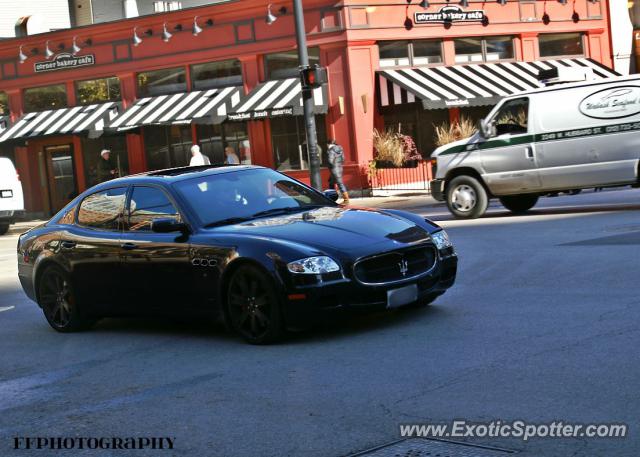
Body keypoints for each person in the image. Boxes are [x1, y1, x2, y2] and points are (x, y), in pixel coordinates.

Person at [327, 139, 349, 204]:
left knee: (340, 184)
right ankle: (332, 198)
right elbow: (343, 159)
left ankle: (346, 199)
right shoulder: (340, 149)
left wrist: (331, 165)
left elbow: (330, 161)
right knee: (331, 182)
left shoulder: (331, 150)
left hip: (334, 169)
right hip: (339, 168)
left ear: (328, 144)